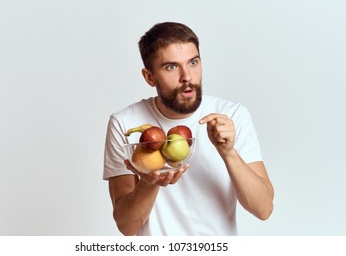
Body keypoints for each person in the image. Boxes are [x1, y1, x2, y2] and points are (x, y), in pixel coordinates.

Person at [103, 22, 274, 236]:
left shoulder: (231, 116)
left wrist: (228, 152)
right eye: (171, 67)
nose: (187, 76)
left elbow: (263, 209)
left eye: (193, 62)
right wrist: (150, 182)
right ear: (149, 77)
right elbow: (126, 226)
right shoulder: (125, 123)